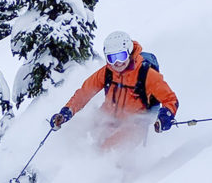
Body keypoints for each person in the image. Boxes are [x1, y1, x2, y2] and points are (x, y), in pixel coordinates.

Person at [50, 31, 179, 149]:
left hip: (134, 124)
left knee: (106, 149)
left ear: (129, 52)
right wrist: (67, 112)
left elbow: (170, 99)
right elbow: (84, 93)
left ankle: (109, 172)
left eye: (121, 56)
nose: (117, 63)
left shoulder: (146, 74)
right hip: (108, 117)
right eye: (112, 58)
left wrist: (165, 116)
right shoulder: (107, 72)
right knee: (76, 131)